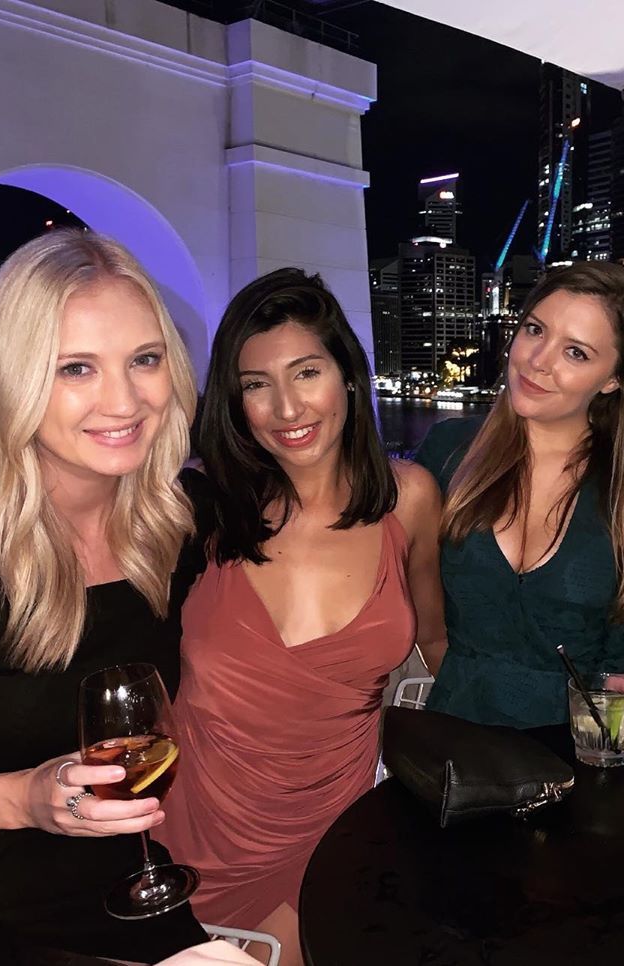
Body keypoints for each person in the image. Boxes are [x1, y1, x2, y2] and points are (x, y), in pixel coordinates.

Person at [158, 269, 444, 964]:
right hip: (192, 827)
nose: (286, 407)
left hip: (334, 826)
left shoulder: (409, 497)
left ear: (347, 374)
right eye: (256, 384)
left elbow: (436, 643)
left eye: (306, 372)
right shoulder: (199, 507)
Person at [0, 230, 209, 962]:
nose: (124, 400)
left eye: (145, 360)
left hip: (132, 893)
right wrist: (23, 798)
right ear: (15, 379)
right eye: (76, 368)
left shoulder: (175, 523)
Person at [414, 262, 624, 757]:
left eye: (575, 352)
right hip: (454, 750)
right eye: (535, 330)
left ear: (613, 379)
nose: (537, 360)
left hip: (578, 758)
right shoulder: (448, 452)